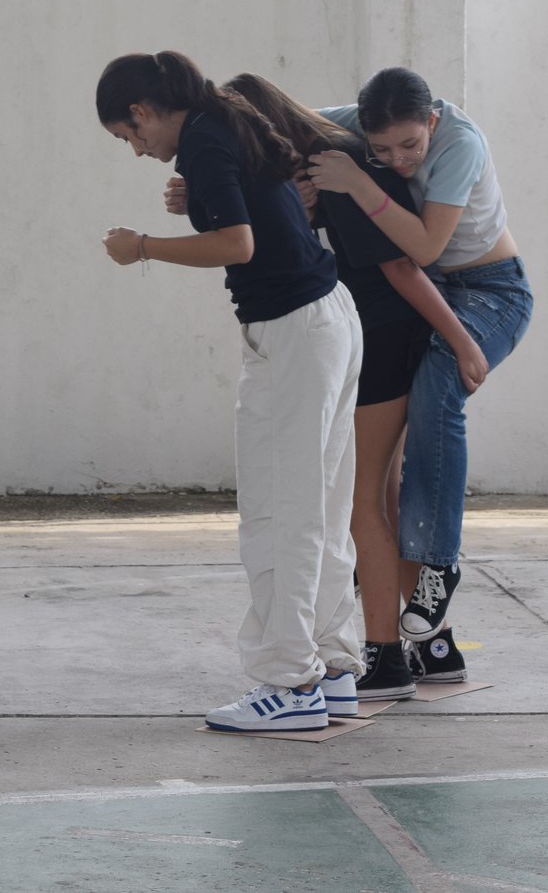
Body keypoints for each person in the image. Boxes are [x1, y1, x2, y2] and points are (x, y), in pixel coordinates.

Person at [96, 51, 362, 733]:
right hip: (330, 317)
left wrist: (145, 245)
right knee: (321, 508)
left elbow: (239, 245)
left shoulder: (204, 139)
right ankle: (332, 670)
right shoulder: (225, 117)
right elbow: (255, 212)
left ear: (141, 110)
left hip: (293, 335)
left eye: (129, 136)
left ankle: (288, 682)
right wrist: (201, 203)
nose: (137, 149)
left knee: (279, 512)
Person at [227, 76, 488, 699]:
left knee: (358, 502)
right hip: (380, 333)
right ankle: (437, 647)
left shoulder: (336, 167)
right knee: (384, 497)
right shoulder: (325, 161)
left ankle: (385, 657)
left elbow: (403, 265)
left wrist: (460, 340)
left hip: (378, 337)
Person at [309, 68, 533, 676]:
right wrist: (193, 187)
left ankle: (441, 565)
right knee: (393, 479)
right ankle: (435, 646)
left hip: (490, 288)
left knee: (438, 397)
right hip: (435, 298)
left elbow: (425, 252)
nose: (398, 159)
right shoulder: (357, 129)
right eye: (382, 149)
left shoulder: (459, 141)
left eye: (410, 144)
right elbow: (284, 123)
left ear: (431, 118)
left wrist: (356, 179)